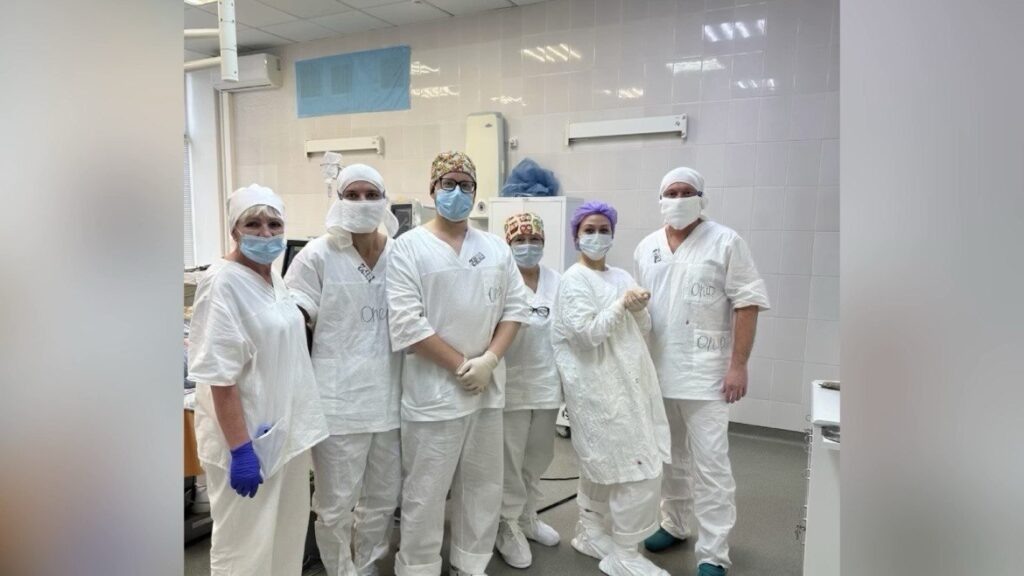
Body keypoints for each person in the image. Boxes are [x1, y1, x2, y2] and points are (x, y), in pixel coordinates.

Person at [386, 151, 531, 576]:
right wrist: (461, 366)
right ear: (432, 190)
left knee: (483, 485)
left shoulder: (495, 247)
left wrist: (489, 360)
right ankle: (419, 567)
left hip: (485, 389)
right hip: (433, 394)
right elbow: (407, 323)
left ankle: (470, 563)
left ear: (475, 191)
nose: (457, 192)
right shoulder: (408, 248)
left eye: (465, 185)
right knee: (426, 490)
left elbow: (515, 309)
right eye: (448, 184)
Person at [634, 168, 770, 576]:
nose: (678, 199)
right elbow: (642, 311)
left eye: (686, 192)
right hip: (659, 373)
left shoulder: (725, 241)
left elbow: (747, 303)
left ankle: (713, 553)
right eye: (671, 193)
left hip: (707, 376)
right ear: (660, 200)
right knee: (669, 459)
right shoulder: (646, 247)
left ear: (701, 198)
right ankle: (674, 524)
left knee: (711, 467)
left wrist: (738, 365)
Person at [188, 184, 329, 576]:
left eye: (274, 224)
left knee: (285, 541)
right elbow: (220, 376)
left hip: (284, 436)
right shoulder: (222, 283)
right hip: (247, 441)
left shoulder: (272, 278)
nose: (266, 233)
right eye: (253, 224)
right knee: (244, 551)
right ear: (234, 229)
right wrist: (241, 451)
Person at [284, 164, 402, 576]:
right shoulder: (317, 255)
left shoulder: (400, 255)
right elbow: (293, 315)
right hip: (337, 402)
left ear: (385, 200)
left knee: (383, 498)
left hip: (390, 399)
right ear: (338, 200)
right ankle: (340, 569)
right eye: (352, 195)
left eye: (372, 194)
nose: (362, 202)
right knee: (334, 504)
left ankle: (367, 565)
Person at [551, 200, 672, 576]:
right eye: (589, 230)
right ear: (576, 237)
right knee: (636, 468)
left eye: (604, 230)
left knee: (603, 464)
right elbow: (586, 335)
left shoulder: (620, 275)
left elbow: (644, 329)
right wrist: (622, 304)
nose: (597, 236)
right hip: (597, 390)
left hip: (629, 385)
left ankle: (589, 531)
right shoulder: (573, 280)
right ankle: (625, 552)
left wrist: (638, 308)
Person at [494, 213, 563, 569]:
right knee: (510, 459)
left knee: (538, 457)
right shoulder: (501, 280)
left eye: (534, 240)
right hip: (512, 388)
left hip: (547, 385)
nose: (527, 246)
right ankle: (506, 524)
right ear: (508, 244)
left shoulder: (557, 281)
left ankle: (527, 516)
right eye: (519, 240)